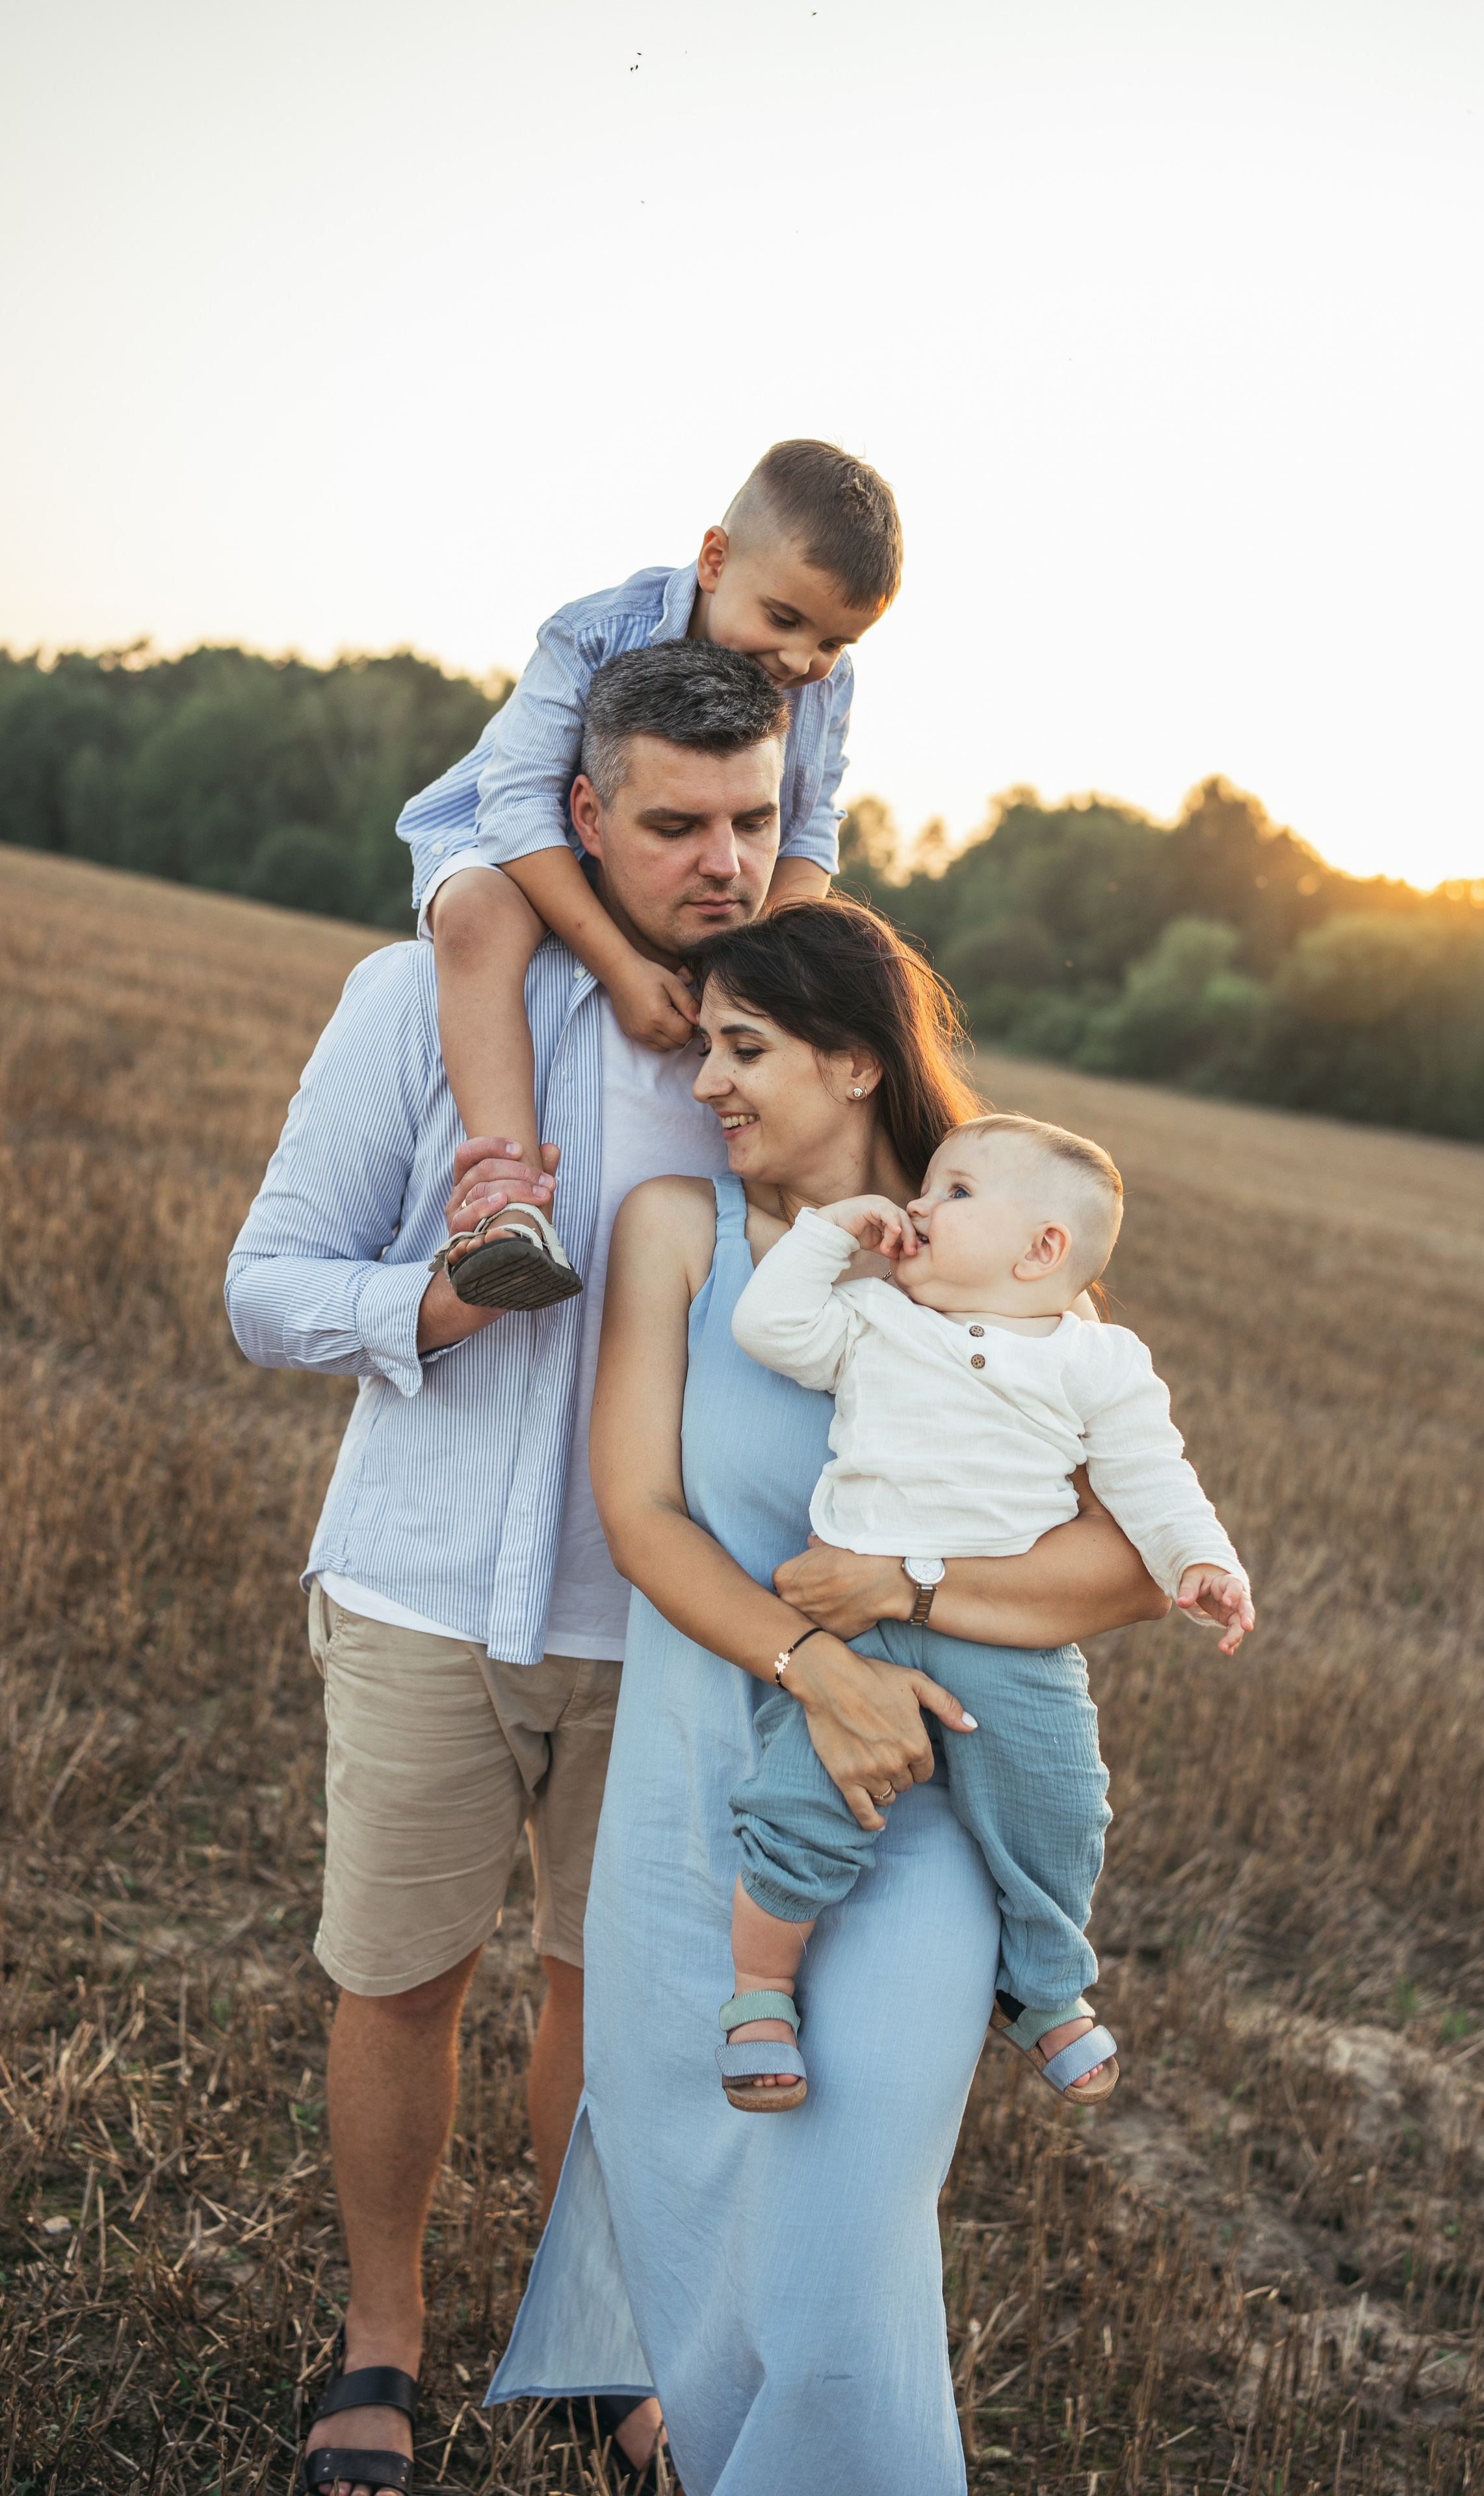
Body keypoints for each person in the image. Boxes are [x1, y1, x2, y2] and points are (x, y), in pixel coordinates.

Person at [484, 900, 1172, 2496]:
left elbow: (1130, 1561)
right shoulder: (675, 1226)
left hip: (921, 1802)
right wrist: (815, 1669)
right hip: (693, 1781)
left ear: (854, 1061)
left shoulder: (996, 1264)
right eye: (702, 1047)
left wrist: (908, 1604)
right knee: (695, 2182)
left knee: (845, 2217)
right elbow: (642, 1516)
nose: (706, 1082)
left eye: (745, 1048)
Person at [224, 642, 796, 2496]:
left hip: (672, 1628)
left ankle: (602, 2340)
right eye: (678, 823)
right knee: (400, 1981)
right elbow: (266, 1290)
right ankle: (378, 2336)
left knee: (612, 2007)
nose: (724, 861)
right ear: (581, 814)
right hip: (423, 1597)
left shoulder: (782, 1037)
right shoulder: (420, 996)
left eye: (757, 820)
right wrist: (445, 1301)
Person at [720, 1113, 1253, 2113]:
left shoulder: (1099, 1362)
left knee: (1061, 1804)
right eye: (923, 1189)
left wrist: (1202, 1561)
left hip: (1011, 1638)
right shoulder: (878, 1318)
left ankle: (1043, 1988)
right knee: (803, 1800)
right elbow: (770, 1328)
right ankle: (759, 1993)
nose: (919, 1207)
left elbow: (1151, 1476)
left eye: (954, 1193)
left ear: (1042, 1249)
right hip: (860, 1629)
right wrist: (834, 1233)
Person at [395, 440, 902, 1309]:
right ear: (714, 560)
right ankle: (510, 1202)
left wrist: (752, 959)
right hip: (511, 838)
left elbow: (811, 826)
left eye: (833, 641)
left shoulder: (828, 682)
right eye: (784, 620)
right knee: (477, 915)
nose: (802, 662)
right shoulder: (594, 628)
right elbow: (519, 807)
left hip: (650, 875)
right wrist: (623, 970)